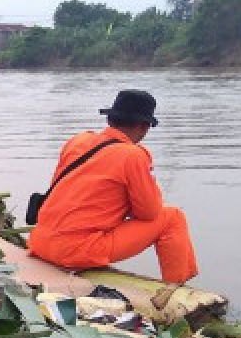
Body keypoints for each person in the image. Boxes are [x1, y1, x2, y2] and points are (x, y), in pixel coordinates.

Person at [28, 90, 199, 294]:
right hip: (75, 252)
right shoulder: (133, 155)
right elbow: (149, 213)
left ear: (110, 119)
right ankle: (177, 290)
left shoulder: (78, 141)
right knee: (173, 218)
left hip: (40, 242)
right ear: (144, 127)